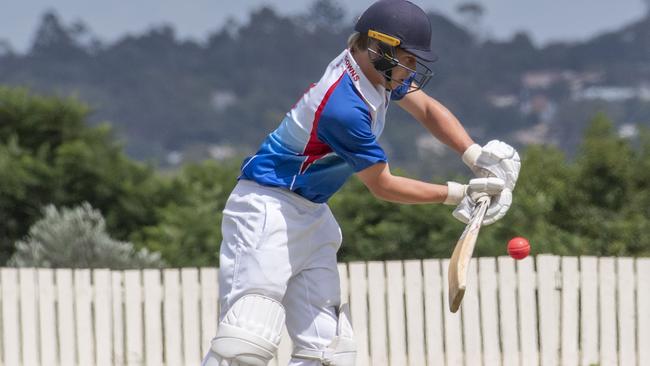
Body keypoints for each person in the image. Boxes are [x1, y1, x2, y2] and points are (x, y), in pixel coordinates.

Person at [201, 1, 520, 365]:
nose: (411, 68)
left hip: (310, 211)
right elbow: (382, 185)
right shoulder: (343, 107)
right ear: (378, 46)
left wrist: (476, 157)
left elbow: (428, 109)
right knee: (246, 342)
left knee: (327, 352)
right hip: (266, 209)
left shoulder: (372, 72)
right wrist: (459, 193)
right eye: (407, 58)